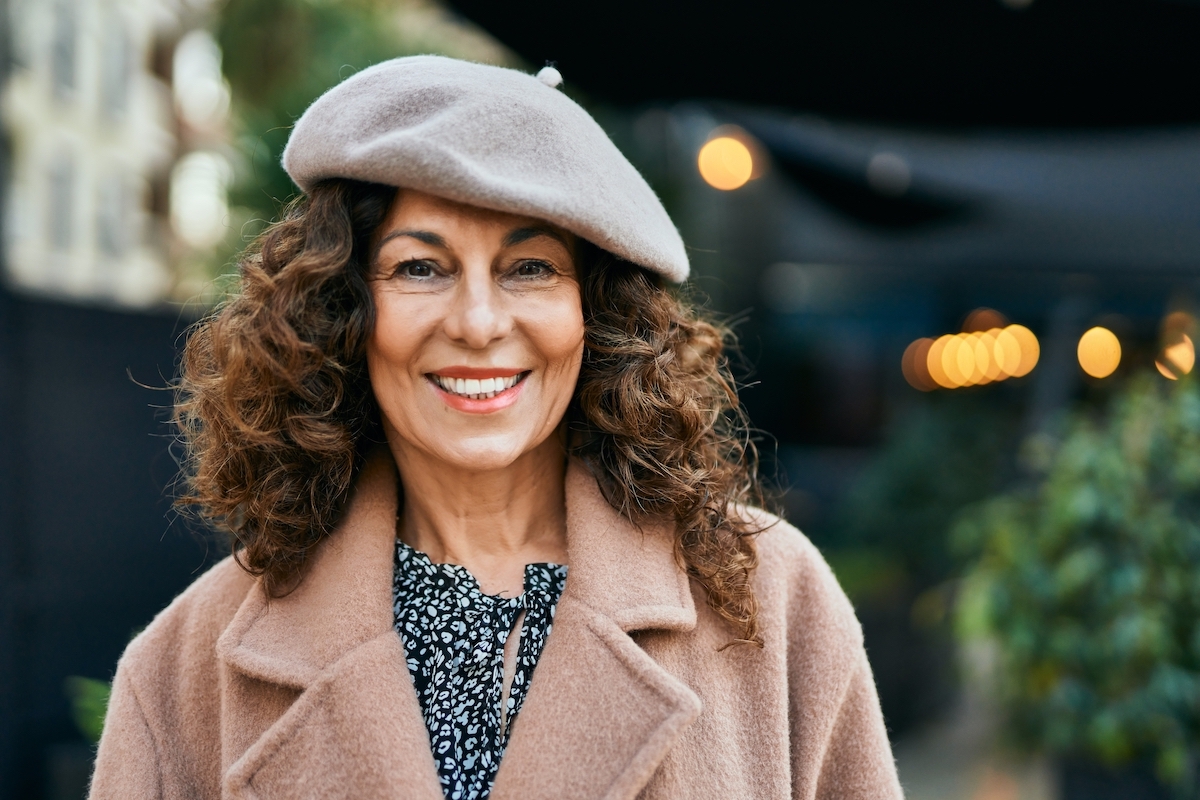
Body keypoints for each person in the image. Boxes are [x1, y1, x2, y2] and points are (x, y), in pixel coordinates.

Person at [90, 57, 903, 799]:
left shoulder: (773, 600)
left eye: (530, 269)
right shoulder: (182, 672)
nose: (479, 322)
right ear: (340, 312)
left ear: (599, 314)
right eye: (420, 267)